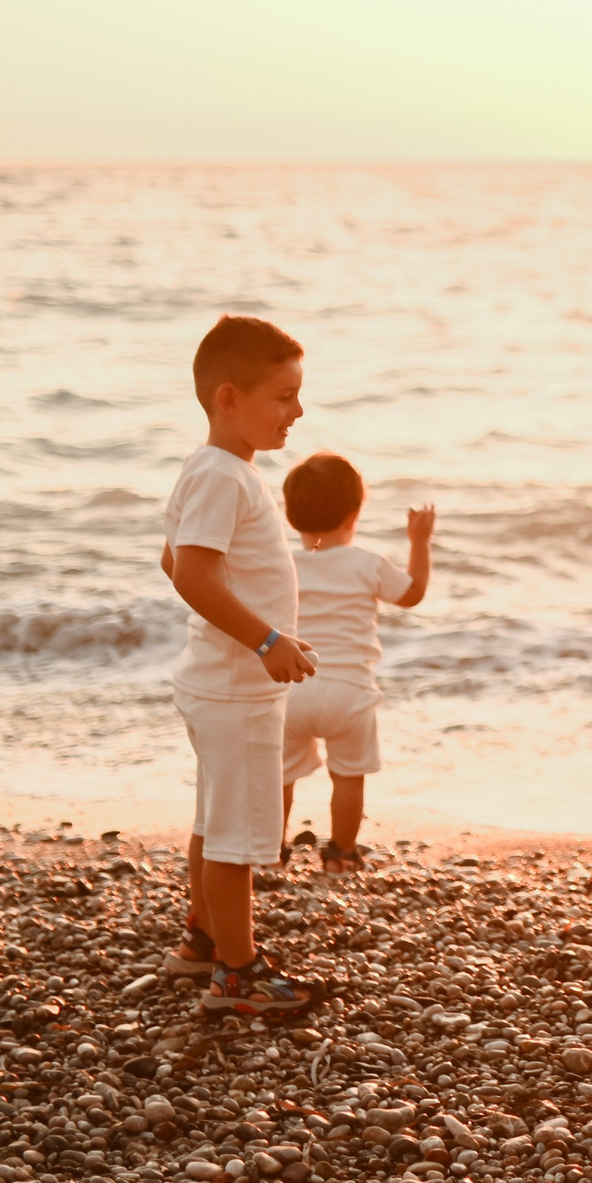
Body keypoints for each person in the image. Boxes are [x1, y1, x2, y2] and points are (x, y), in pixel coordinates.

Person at [157, 314, 328, 1018]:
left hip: (218, 680)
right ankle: (238, 973)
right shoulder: (226, 477)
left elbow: (173, 558)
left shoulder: (213, 471)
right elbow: (193, 577)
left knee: (213, 818)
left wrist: (271, 637)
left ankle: (202, 940)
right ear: (230, 398)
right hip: (235, 687)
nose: (298, 410)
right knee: (234, 835)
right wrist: (266, 641)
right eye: (283, 396)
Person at [278, 451, 434, 871]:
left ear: (291, 517)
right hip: (349, 693)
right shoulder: (367, 563)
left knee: (281, 776)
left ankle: (270, 850)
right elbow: (413, 592)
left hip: (290, 687)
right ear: (355, 513)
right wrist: (419, 541)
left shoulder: (283, 565)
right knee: (347, 777)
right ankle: (341, 853)